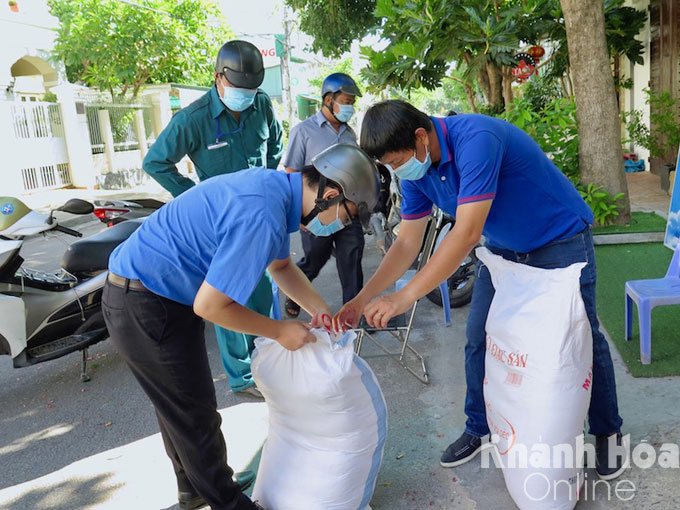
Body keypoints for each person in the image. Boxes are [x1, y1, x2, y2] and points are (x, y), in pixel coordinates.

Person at [334, 100, 626, 481]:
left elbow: (467, 232)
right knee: (479, 338)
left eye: (397, 161)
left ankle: (607, 432)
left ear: (421, 137)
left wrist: (404, 297)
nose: (397, 170)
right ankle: (480, 427)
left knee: (582, 337)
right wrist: (361, 299)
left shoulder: (477, 140)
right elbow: (407, 243)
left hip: (560, 241)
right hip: (504, 249)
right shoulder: (416, 172)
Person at [103, 144, 380, 510]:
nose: (337, 227)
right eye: (344, 217)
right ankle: (229, 503)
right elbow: (211, 305)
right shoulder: (262, 214)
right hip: (145, 301)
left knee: (179, 405)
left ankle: (193, 488)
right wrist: (280, 331)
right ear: (330, 195)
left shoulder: (278, 192)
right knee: (194, 416)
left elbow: (280, 267)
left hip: (157, 295)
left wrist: (320, 309)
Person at [143, 40, 283, 399]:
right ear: (219, 78)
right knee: (228, 296)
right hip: (219, 224)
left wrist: (267, 184)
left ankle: (269, 361)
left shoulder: (261, 104)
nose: (246, 95)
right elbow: (155, 162)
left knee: (263, 289)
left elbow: (276, 146)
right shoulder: (192, 120)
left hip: (258, 218)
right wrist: (192, 197)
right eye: (240, 88)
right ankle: (242, 377)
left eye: (252, 89)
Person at [283, 73, 364, 317]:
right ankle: (295, 293)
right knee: (315, 259)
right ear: (329, 99)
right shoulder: (304, 131)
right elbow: (291, 172)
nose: (350, 107)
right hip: (317, 210)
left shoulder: (350, 134)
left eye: (352, 103)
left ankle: (353, 311)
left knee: (352, 256)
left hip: (346, 206)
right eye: (346, 101)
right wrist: (298, 214)